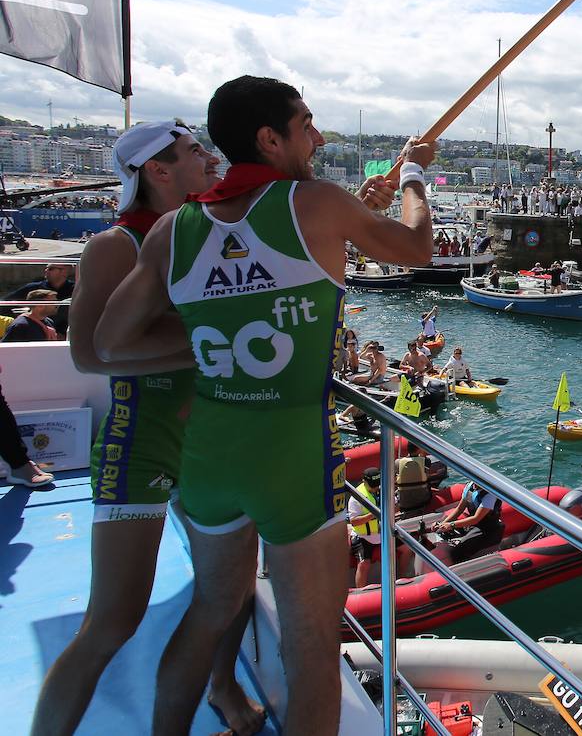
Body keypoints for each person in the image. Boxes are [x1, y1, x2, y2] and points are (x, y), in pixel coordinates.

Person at [91, 75, 436, 735]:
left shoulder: (173, 230)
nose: (319, 138)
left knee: (208, 611)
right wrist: (415, 173)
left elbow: (110, 342)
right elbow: (415, 247)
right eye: (307, 125)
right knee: (311, 649)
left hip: (210, 453)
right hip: (291, 456)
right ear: (270, 139)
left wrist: (211, 331)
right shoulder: (316, 203)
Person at [35, 120, 277, 736]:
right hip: (143, 439)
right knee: (112, 621)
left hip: (213, 439)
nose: (210, 158)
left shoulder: (211, 231)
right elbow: (89, 354)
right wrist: (208, 341)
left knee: (232, 591)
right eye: (195, 151)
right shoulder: (116, 245)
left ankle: (223, 687)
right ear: (157, 169)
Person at [436, 480, 506, 561]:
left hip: (487, 528)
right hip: (472, 524)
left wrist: (451, 525)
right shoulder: (470, 486)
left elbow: (476, 518)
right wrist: (443, 524)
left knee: (456, 552)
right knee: (441, 533)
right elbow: (459, 509)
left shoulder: (489, 495)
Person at [6, 261, 75, 334]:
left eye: (51, 269)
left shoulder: (75, 289)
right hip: (36, 330)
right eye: (46, 268)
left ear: (64, 271)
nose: (46, 270)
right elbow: (6, 303)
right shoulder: (32, 288)